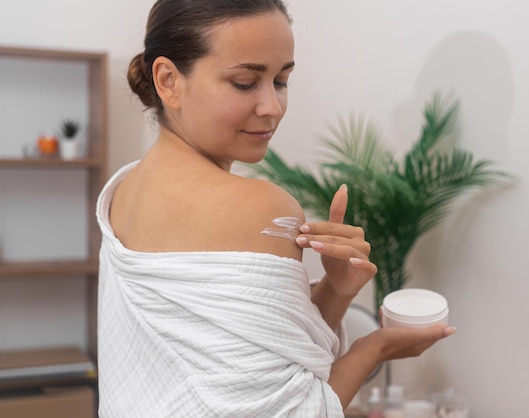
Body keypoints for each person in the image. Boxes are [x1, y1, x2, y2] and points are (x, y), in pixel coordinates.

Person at [96, 0, 456, 417]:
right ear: (168, 80)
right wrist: (372, 348)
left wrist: (336, 289)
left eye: (281, 80)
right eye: (246, 82)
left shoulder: (125, 189)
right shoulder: (260, 207)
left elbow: (248, 366)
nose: (273, 107)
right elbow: (296, 409)